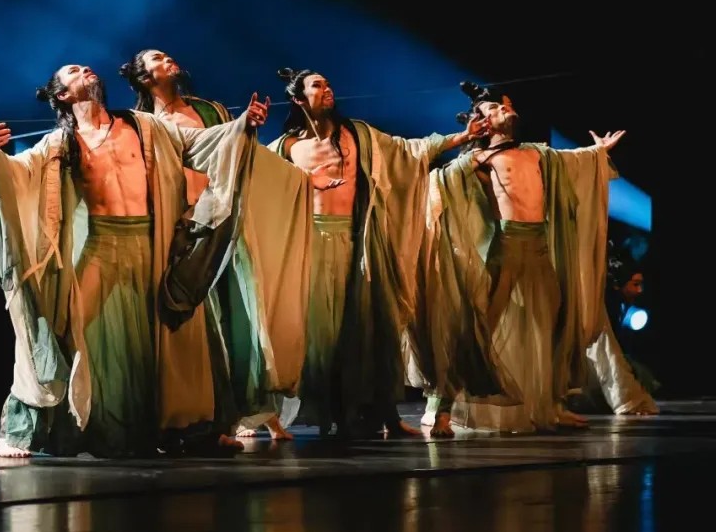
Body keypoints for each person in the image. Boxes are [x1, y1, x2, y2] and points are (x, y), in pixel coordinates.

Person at [0, 64, 269, 458]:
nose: (86, 70)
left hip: (151, 243)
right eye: (74, 71)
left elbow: (197, 142)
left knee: (173, 336)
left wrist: (241, 125)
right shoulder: (61, 143)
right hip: (102, 244)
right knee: (68, 330)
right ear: (62, 94)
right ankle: (26, 427)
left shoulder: (143, 125)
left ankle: (189, 429)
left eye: (86, 68)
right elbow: (18, 174)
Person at [118, 49, 327, 444]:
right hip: (187, 231)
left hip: (225, 222)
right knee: (205, 327)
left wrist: (249, 128)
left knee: (241, 317)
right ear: (144, 77)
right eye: (158, 59)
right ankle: (213, 417)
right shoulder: (146, 125)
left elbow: (240, 157)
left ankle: (255, 412)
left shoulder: (209, 110)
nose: (169, 59)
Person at [269, 68, 486, 439]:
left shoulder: (358, 135)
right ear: (299, 99)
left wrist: (461, 137)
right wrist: (305, 180)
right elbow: (261, 179)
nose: (327, 89)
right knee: (322, 335)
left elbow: (409, 149)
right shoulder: (286, 147)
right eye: (317, 85)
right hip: (312, 243)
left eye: (328, 83)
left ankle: (386, 414)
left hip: (360, 242)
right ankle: (330, 414)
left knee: (372, 329)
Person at [418, 81, 622, 436]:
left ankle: (552, 405)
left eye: (505, 105)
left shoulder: (537, 154)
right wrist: (467, 143)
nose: (504, 108)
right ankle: (442, 408)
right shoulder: (481, 159)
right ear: (483, 123)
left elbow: (573, 160)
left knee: (555, 321)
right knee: (481, 326)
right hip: (506, 247)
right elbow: (440, 183)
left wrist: (597, 151)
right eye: (495, 108)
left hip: (538, 246)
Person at [571, 252, 658, 415]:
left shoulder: (621, 307)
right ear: (618, 284)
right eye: (635, 284)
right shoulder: (604, 308)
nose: (640, 290)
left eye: (641, 285)